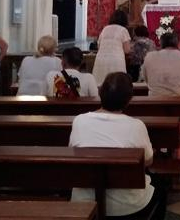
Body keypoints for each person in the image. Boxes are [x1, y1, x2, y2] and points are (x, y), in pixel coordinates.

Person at [69, 72, 165, 219]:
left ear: (100, 93)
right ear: (128, 100)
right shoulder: (136, 125)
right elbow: (148, 160)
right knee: (161, 186)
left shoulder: (79, 121)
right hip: (127, 206)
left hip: (85, 201)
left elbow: (73, 151)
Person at [92, 10, 131, 86]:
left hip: (101, 59)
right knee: (117, 84)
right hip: (116, 60)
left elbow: (99, 46)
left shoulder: (105, 29)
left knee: (101, 83)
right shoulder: (123, 30)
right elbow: (127, 50)